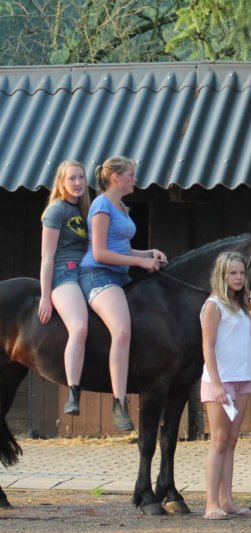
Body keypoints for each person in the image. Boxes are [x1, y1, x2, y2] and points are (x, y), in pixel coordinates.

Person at [79, 156, 167, 431]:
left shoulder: (121, 207)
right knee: (121, 331)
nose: (135, 179)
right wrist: (141, 263)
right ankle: (119, 402)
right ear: (116, 177)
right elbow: (100, 253)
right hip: (97, 274)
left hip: (120, 275)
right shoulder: (101, 205)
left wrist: (149, 253)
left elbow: (123, 249)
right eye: (131, 174)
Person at [199, 252, 251, 520]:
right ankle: (211, 503)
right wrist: (216, 384)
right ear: (222, 275)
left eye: (241, 273)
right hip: (220, 381)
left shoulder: (239, 307)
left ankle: (227, 501)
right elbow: (208, 347)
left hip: (242, 379)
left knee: (231, 440)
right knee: (218, 440)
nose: (239, 278)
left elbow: (248, 339)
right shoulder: (213, 306)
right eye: (233, 273)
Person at [38, 160, 91, 416]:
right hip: (64, 273)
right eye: (72, 178)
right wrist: (45, 295)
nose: (78, 182)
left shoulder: (86, 209)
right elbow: (47, 256)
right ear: (61, 182)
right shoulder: (56, 210)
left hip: (89, 272)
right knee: (79, 326)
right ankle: (73, 392)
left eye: (81, 177)